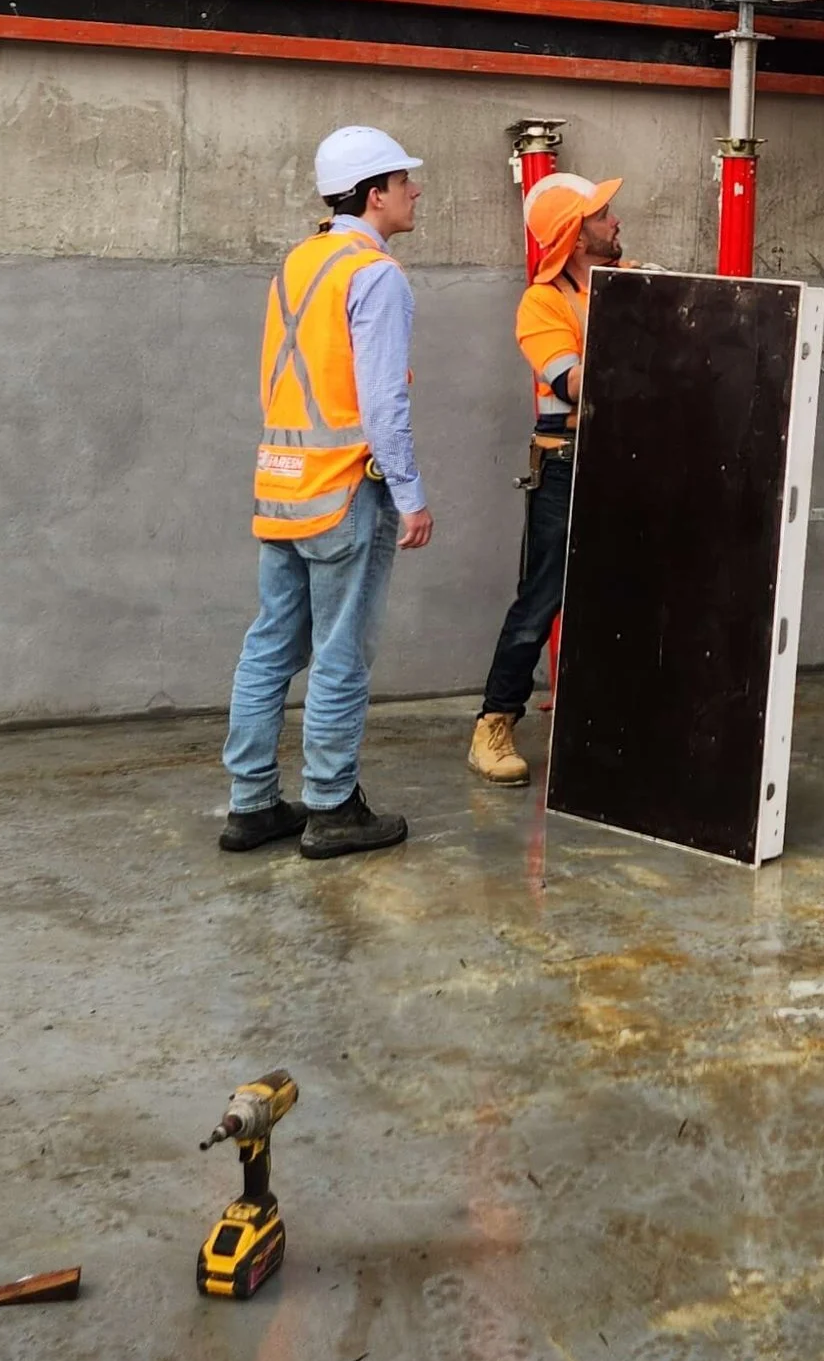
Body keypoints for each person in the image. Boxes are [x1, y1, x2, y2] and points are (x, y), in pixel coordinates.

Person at [220, 126, 432, 859]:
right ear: (375, 194)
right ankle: (333, 808)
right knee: (341, 652)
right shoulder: (375, 275)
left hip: (281, 486)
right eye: (405, 182)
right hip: (345, 490)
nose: (415, 192)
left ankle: (250, 805)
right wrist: (409, 492)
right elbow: (382, 403)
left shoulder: (299, 264)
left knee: (270, 645)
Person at [468, 170, 626, 783]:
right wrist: (646, 338)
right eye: (601, 216)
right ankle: (493, 726)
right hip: (567, 462)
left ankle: (610, 721)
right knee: (542, 600)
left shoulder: (629, 283)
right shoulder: (544, 302)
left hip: (629, 457)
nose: (614, 221)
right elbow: (571, 383)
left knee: (624, 594)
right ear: (575, 236)